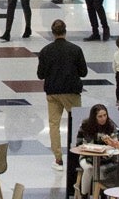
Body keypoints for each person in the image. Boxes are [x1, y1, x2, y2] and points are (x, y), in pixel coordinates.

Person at [35, 19, 87, 170]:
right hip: (71, 91)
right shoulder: (76, 49)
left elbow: (40, 74)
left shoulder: (45, 51)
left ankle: (58, 159)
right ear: (65, 31)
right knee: (77, 124)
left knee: (54, 125)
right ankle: (77, 156)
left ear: (52, 33)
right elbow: (83, 72)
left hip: (52, 92)